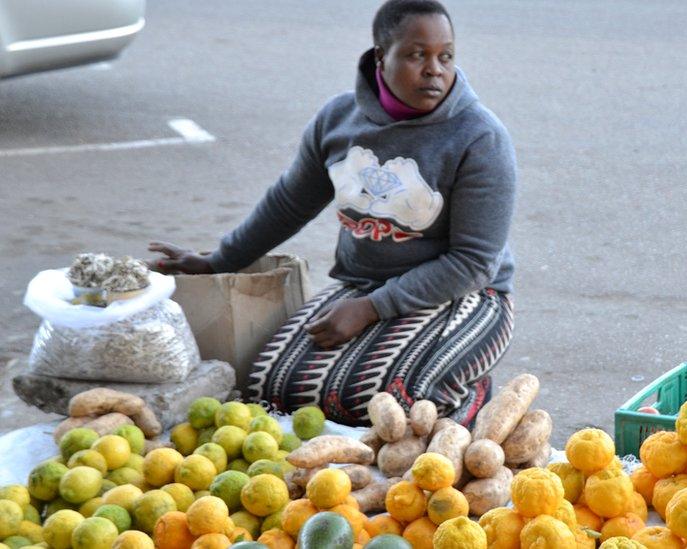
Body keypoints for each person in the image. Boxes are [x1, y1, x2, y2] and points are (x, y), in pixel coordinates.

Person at [149, 0, 516, 427]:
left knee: (399, 404)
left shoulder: (480, 137)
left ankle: (474, 400)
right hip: (363, 286)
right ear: (382, 56)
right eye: (417, 54)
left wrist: (370, 309)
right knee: (271, 387)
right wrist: (219, 260)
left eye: (445, 56)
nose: (435, 68)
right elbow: (289, 203)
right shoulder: (339, 119)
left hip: (465, 296)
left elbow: (472, 263)